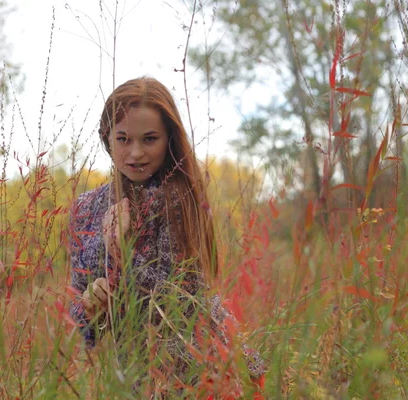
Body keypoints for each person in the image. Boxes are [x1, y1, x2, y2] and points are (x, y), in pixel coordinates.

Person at [68, 77, 264, 398]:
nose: (135, 152)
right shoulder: (86, 208)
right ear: (107, 138)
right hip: (138, 379)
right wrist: (91, 306)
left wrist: (121, 249)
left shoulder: (182, 198)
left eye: (149, 139)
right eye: (122, 138)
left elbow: (180, 304)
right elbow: (81, 326)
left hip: (207, 369)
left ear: (168, 139)